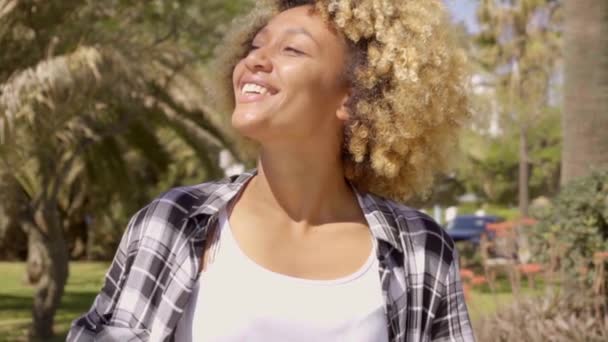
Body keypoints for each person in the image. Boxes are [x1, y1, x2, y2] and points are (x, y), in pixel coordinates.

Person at [68, 0, 473, 341]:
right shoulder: (174, 221)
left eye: (292, 50)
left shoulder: (421, 250)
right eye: (255, 46)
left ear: (354, 97)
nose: (255, 60)